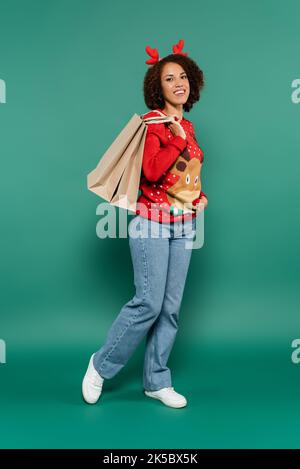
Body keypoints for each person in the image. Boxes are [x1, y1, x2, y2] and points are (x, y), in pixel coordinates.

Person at [82, 39, 208, 408]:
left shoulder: (189, 126)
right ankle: (100, 365)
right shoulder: (154, 125)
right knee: (148, 303)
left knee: (170, 308)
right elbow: (151, 171)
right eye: (170, 79)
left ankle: (156, 380)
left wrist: (198, 198)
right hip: (150, 224)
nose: (179, 83)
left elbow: (187, 176)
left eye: (183, 76)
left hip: (184, 225)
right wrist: (175, 139)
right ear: (159, 87)